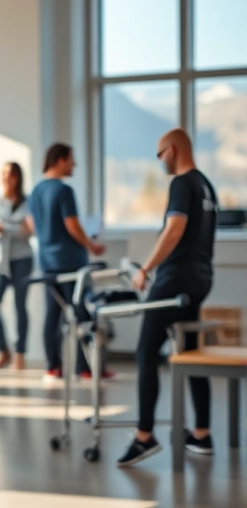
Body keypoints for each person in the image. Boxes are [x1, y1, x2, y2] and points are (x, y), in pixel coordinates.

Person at [117, 129, 217, 467]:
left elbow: (174, 229)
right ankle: (202, 434)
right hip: (200, 279)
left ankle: (144, 436)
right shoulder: (206, 185)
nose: (158, 161)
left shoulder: (181, 183)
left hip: (175, 279)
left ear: (172, 150)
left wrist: (144, 269)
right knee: (191, 352)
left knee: (146, 350)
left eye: (160, 154)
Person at [26, 143, 105, 381]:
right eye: (72, 159)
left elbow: (31, 226)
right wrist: (91, 245)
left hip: (48, 262)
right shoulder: (63, 191)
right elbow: (72, 225)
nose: (75, 164)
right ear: (59, 160)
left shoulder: (36, 191)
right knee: (82, 313)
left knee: (53, 314)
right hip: (71, 262)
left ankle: (53, 367)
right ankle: (86, 368)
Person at [0, 162, 34, 371]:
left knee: (20, 306)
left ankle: (20, 353)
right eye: (3, 173)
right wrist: (3, 229)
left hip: (22, 259)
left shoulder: (28, 202)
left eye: (11, 174)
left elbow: (29, 230)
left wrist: (4, 227)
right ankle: (3, 352)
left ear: (18, 177)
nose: (7, 178)